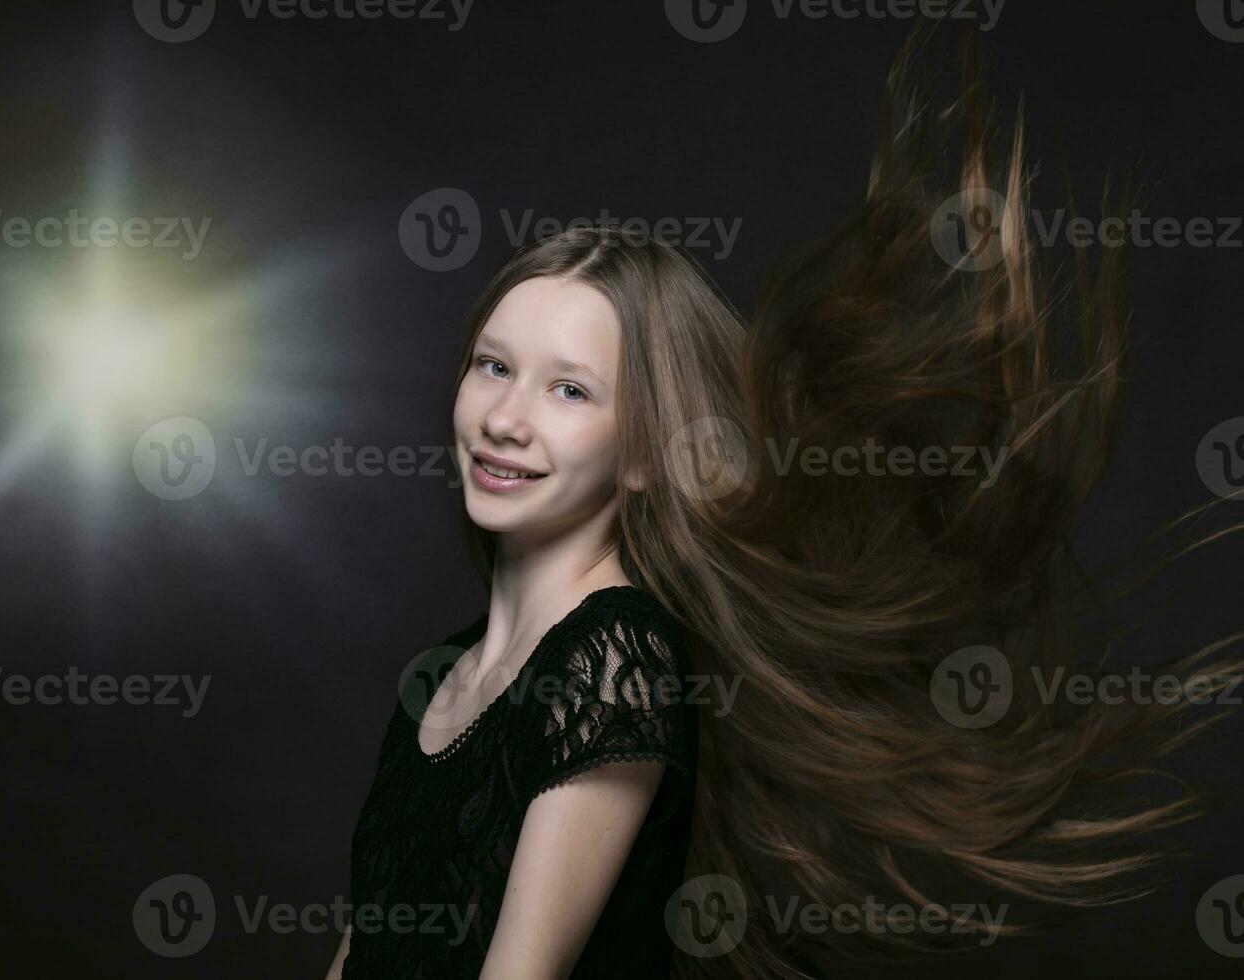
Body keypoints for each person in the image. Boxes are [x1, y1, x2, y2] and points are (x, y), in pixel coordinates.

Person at [328, 28, 1240, 980]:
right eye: (494, 366)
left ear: (644, 456)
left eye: (570, 391)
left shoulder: (615, 659)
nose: (507, 418)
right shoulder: (441, 674)